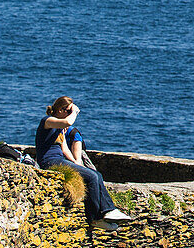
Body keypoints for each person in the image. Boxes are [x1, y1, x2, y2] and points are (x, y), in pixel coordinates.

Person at [35, 96, 132, 231]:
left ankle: (107, 211)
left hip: (59, 160)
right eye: (68, 111)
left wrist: (76, 163)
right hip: (50, 161)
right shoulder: (48, 121)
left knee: (95, 174)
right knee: (92, 177)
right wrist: (74, 112)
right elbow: (67, 123)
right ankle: (96, 218)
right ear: (60, 110)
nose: (70, 114)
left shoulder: (59, 128)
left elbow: (64, 149)